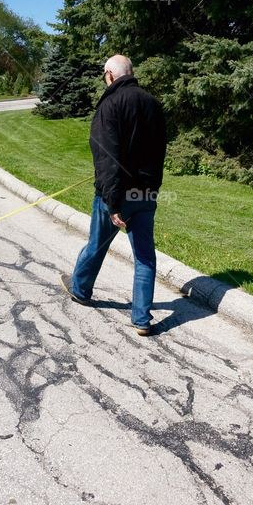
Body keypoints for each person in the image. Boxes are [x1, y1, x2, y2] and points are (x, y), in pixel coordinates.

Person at [60, 55, 167, 336]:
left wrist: (112, 201)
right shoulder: (153, 104)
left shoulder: (110, 104)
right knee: (145, 257)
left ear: (109, 74)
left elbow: (107, 158)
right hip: (144, 193)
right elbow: (159, 154)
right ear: (130, 73)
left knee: (97, 244)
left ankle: (80, 288)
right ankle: (142, 319)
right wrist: (152, 189)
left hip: (117, 195)